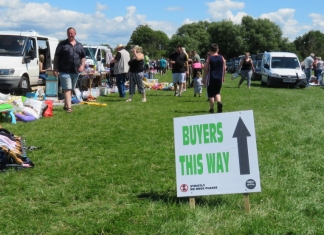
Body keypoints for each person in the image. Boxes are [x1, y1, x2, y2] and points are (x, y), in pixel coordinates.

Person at [53, 27, 85, 113]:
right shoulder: (62, 44)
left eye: (72, 33)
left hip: (75, 71)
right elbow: (56, 57)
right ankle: (69, 108)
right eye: (69, 33)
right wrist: (55, 68)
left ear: (75, 34)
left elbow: (83, 57)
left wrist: (82, 65)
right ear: (67, 34)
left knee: (71, 89)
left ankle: (65, 105)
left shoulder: (79, 45)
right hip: (64, 70)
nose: (70, 35)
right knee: (67, 88)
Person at [203, 44, 225, 113]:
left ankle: (212, 108)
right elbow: (224, 68)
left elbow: (206, 69)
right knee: (217, 92)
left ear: (210, 50)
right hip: (219, 78)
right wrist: (223, 77)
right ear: (217, 50)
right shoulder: (222, 58)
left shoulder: (209, 58)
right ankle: (219, 102)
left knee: (211, 94)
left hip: (211, 78)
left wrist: (203, 78)